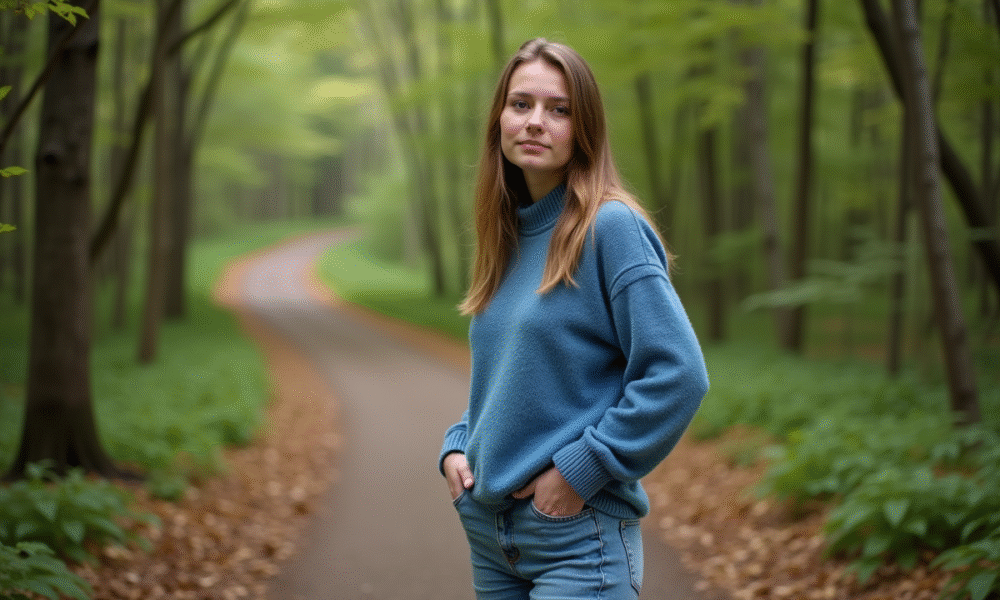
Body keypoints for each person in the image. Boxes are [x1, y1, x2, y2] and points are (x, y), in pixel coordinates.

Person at [440, 37, 709, 600]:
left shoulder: (610, 228)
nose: (536, 121)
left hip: (576, 540)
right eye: (521, 104)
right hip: (491, 538)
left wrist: (581, 469)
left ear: (583, 128)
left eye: (558, 110)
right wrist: (459, 444)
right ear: (499, 120)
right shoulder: (507, 235)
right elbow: (510, 377)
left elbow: (678, 372)